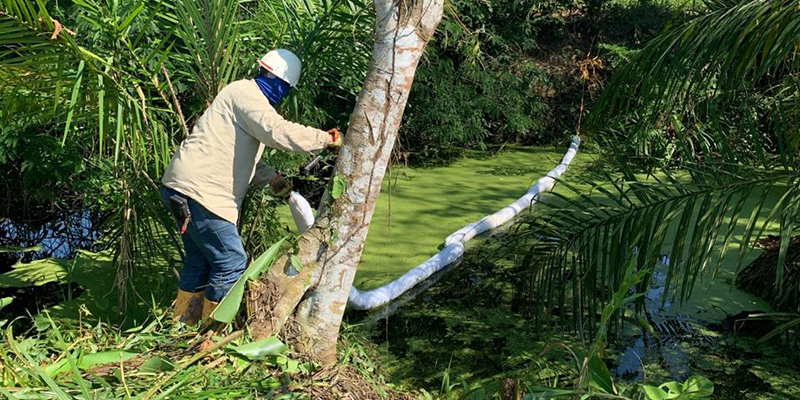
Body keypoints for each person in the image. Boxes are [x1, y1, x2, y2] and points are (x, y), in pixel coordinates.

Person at [161, 49, 342, 325]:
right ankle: (212, 335)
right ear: (279, 82)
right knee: (231, 262)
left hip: (182, 187)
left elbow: (237, 155)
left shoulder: (241, 97)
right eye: (284, 89)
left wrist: (271, 179)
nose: (282, 96)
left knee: (199, 261)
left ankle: (183, 326)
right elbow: (277, 132)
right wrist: (324, 139)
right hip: (202, 194)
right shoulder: (246, 95)